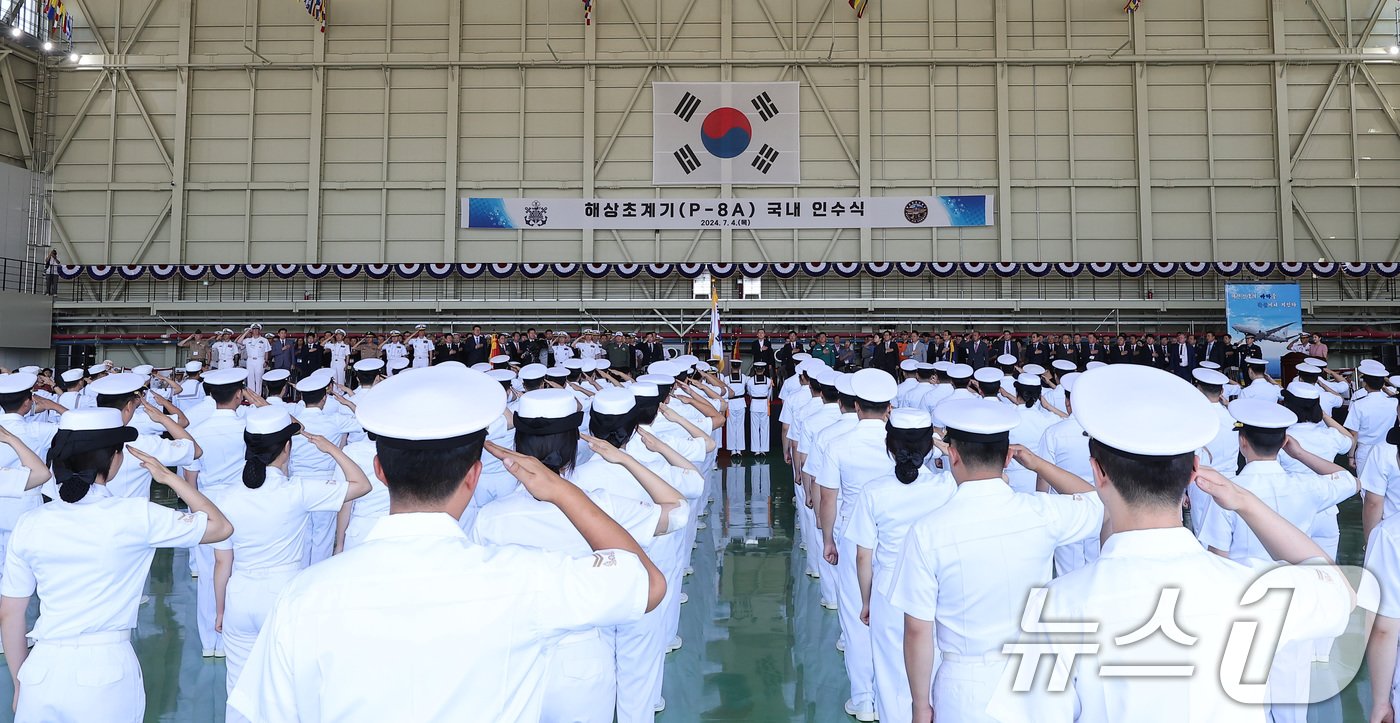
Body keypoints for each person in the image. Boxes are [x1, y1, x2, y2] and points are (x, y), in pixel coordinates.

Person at [229, 366, 666, 722]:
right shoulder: (524, 579)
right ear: (473, 477)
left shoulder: (305, 598)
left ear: (380, 470)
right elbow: (647, 584)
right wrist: (561, 491)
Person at [986, 364, 1355, 723]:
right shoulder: (1253, 590)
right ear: (1195, 470)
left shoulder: (1057, 605)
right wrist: (1245, 501)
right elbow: (1335, 585)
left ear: (1098, 472)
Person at [0, 408, 233, 723]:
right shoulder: (135, 515)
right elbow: (220, 527)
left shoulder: (31, 523)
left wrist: (18, 683)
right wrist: (168, 477)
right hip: (106, 671)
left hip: (41, 671)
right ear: (115, 458)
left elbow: (10, 613)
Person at [472, 389, 687, 723]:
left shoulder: (489, 518)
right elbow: (678, 512)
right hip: (582, 664)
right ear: (574, 444)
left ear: (519, 445)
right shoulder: (600, 506)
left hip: (512, 663)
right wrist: (624, 458)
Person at [890, 398, 1103, 723]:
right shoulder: (1040, 512)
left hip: (968, 684)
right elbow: (1097, 503)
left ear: (953, 454)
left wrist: (920, 705)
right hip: (1038, 676)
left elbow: (917, 630)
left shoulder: (927, 532)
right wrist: (1038, 464)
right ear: (1008, 458)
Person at [211, 406, 371, 722]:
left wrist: (220, 610)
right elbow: (360, 485)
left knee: (238, 689)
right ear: (287, 447)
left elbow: (221, 563)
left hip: (240, 596)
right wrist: (330, 448)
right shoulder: (296, 491)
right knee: (285, 691)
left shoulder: (225, 497)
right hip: (283, 596)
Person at [844, 408, 956, 723]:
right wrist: (941, 446)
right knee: (935, 672)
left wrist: (866, 601)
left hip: (888, 593)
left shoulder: (874, 491)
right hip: (937, 591)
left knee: (891, 677)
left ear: (889, 446)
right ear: (929, 446)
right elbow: (997, 478)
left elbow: (863, 555)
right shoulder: (947, 485)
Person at [814, 368, 898, 721]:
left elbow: (828, 499)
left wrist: (828, 538)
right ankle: (893, 698)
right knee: (895, 620)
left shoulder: (839, 444)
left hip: (852, 537)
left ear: (857, 407)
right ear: (889, 408)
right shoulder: (902, 441)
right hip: (896, 538)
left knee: (856, 619)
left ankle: (864, 699)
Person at [183, 367, 258, 658]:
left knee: (207, 574)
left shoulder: (196, 432)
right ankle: (231, 639)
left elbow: (191, 480)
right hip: (241, 503)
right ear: (240, 394)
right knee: (235, 570)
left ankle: (209, 643)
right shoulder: (248, 427)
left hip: (207, 505)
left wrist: (195, 516)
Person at [746, 362, 773, 455]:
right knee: (765, 428)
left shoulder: (749, 381)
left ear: (755, 370)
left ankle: (756, 450)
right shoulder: (769, 381)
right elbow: (769, 395)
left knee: (754, 428)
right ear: (764, 370)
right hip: (764, 405)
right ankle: (764, 450)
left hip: (754, 405)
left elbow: (749, 392)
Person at [724, 364, 749, 454]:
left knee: (731, 427)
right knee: (740, 426)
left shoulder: (726, 379)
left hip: (731, 404)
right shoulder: (744, 377)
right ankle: (739, 450)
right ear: (739, 368)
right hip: (741, 403)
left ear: (731, 368)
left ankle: (732, 450)